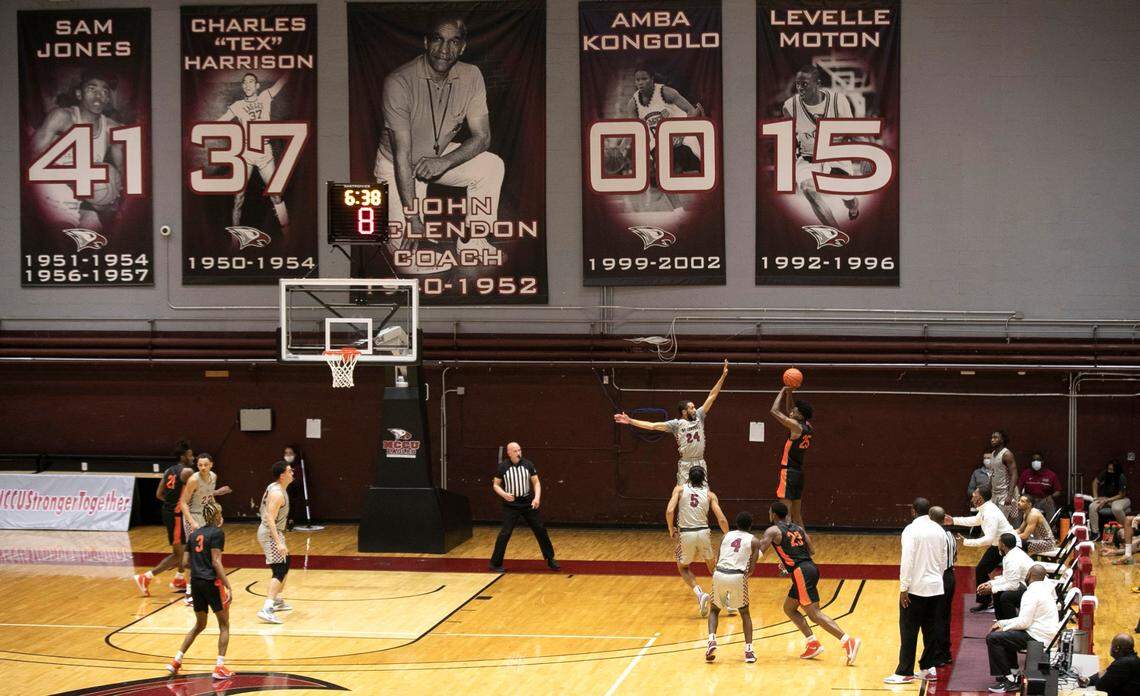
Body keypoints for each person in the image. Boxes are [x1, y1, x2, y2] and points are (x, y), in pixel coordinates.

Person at [374, 13, 504, 274]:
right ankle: (403, 231)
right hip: (398, 166)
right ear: (425, 42)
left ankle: (473, 242)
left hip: (438, 157)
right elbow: (403, 155)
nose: (445, 50)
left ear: (462, 47)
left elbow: (483, 137)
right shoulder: (398, 82)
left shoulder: (472, 75)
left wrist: (443, 161)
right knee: (408, 263)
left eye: (453, 42)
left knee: (491, 165)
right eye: (438, 40)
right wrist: (413, 218)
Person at [760, 502, 861, 665]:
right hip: (810, 567)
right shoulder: (798, 528)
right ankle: (812, 642)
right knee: (789, 608)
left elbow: (760, 551)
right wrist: (790, 560)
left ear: (772, 514)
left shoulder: (773, 530)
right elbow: (811, 550)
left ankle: (847, 640)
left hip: (801, 572)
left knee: (814, 613)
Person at [31, 71, 126, 232]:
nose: (99, 96)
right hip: (50, 196)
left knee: (98, 233)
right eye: (92, 89)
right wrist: (76, 180)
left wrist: (109, 197)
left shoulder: (112, 129)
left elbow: (123, 175)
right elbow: (30, 159)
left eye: (104, 92)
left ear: (108, 99)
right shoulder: (62, 117)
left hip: (79, 201)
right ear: (79, 94)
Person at [614, 359, 729, 485]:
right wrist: (630, 421)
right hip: (685, 463)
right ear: (684, 412)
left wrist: (723, 376)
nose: (695, 409)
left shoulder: (699, 416)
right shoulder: (676, 424)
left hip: (700, 461)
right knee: (682, 493)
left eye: (694, 407)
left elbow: (712, 396)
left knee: (703, 493)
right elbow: (652, 426)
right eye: (691, 408)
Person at [781, 64, 861, 229]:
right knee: (808, 189)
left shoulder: (839, 101)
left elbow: (853, 130)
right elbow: (788, 139)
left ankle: (853, 209)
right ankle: (835, 233)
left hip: (835, 155)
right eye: (798, 84)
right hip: (808, 157)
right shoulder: (789, 107)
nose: (800, 88)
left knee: (850, 200)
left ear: (817, 84)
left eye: (805, 84)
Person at [166, 500, 234, 680]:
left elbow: (184, 562)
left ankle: (176, 660)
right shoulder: (218, 533)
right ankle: (219, 667)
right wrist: (227, 584)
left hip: (195, 583)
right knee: (224, 625)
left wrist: (198, 561)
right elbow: (216, 561)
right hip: (211, 582)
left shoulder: (194, 534)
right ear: (217, 516)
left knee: (199, 624)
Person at [884, 498, 949, 685]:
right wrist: (935, 578)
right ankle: (929, 668)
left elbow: (907, 561)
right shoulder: (939, 530)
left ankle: (905, 671)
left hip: (915, 590)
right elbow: (944, 561)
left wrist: (904, 588)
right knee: (931, 630)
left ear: (913, 511)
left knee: (908, 630)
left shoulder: (911, 530)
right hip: (936, 588)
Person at [218, 72, 290, 233]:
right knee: (238, 197)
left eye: (251, 81)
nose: (247, 84)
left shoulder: (265, 96)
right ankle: (235, 239)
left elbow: (281, 82)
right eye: (245, 82)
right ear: (243, 86)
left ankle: (287, 232)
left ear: (257, 85)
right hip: (245, 153)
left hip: (264, 151)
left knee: (276, 195)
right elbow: (221, 121)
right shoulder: (237, 105)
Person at [624, 67, 704, 212]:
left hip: (681, 138)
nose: (641, 82)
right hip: (658, 144)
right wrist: (621, 148)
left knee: (700, 166)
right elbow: (633, 129)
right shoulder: (633, 103)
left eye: (644, 79)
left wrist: (681, 133)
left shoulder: (666, 92)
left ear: (652, 79)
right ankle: (679, 211)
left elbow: (691, 111)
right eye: (638, 80)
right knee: (662, 172)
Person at [984, 565, 1059, 693]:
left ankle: (1010, 681)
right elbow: (1025, 620)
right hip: (1043, 633)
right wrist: (1002, 623)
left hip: (1038, 637)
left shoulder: (1031, 593)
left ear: (1029, 575)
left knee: (993, 638)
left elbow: (1024, 622)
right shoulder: (1045, 589)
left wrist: (1004, 627)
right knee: (1006, 634)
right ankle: (1013, 671)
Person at [665, 466, 729, 617]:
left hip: (686, 533)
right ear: (704, 479)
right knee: (713, 569)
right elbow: (721, 518)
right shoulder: (709, 494)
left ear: (688, 477)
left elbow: (669, 511)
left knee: (683, 568)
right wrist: (728, 535)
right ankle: (727, 596)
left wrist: (670, 529)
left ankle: (700, 594)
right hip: (703, 532)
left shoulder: (679, 490)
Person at [134, 441, 196, 596]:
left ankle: (179, 579)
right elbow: (197, 492)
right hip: (176, 515)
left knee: (186, 548)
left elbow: (159, 494)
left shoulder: (169, 470)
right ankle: (146, 577)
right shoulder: (187, 471)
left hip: (171, 512)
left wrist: (172, 503)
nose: (193, 458)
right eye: (190, 455)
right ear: (183, 457)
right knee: (179, 554)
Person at [946, 485, 1019, 613]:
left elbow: (988, 539)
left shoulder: (990, 513)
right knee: (981, 570)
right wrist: (953, 521)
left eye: (975, 494)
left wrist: (967, 542)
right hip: (999, 545)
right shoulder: (985, 508)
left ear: (980, 498)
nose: (972, 496)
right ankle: (986, 602)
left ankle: (1009, 603)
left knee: (1008, 576)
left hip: (1011, 547)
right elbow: (975, 520)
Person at [490, 442, 557, 572]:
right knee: (505, 533)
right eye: (515, 451)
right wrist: (504, 494)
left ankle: (550, 559)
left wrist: (536, 498)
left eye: (519, 450)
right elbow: (496, 485)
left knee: (540, 529)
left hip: (527, 503)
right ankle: (495, 563)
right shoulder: (503, 467)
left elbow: (536, 483)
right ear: (508, 453)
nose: (518, 453)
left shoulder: (528, 464)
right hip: (511, 505)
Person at [705, 511, 761, 664]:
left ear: (736, 524)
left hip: (719, 573)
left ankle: (711, 640)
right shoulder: (754, 541)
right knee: (745, 614)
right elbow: (751, 569)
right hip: (737, 575)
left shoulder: (726, 536)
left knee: (715, 610)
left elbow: (718, 558)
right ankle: (748, 650)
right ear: (750, 526)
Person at [179, 453, 232, 605]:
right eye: (200, 465)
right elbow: (183, 503)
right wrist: (192, 522)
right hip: (193, 516)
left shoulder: (213, 477)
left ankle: (209, 588)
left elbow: (209, 497)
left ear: (211, 465)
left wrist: (217, 513)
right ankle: (189, 593)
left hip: (206, 515)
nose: (202, 467)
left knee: (211, 553)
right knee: (196, 555)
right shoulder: (194, 479)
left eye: (205, 465)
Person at [769, 384, 813, 527]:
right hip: (799, 474)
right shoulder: (807, 426)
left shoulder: (796, 427)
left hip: (788, 472)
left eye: (796, 409)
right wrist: (789, 394)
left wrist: (782, 390)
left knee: (785, 515)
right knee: (797, 516)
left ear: (799, 415)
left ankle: (789, 546)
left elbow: (774, 411)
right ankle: (803, 546)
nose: (792, 409)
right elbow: (789, 411)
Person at [256, 460, 294, 624]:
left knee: (286, 562)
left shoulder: (274, 486)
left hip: (273, 531)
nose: (292, 472)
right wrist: (278, 542)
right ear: (282, 475)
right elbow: (270, 519)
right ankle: (267, 608)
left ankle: (276, 600)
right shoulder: (277, 493)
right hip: (271, 533)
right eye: (289, 470)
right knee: (279, 569)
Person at [976, 533, 1033, 621]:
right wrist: (990, 583)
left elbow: (1013, 585)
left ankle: (1011, 623)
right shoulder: (1012, 553)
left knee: (1006, 596)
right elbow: (1007, 578)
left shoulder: (1012, 559)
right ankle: (1001, 621)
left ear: (1002, 545)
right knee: (997, 591)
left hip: (1031, 589)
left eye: (998, 542)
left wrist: (992, 589)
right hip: (1024, 584)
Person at [928, 507, 957, 669]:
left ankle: (938, 655)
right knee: (945, 616)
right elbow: (955, 557)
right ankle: (945, 653)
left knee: (936, 617)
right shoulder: (950, 535)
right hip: (950, 576)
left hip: (939, 577)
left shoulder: (935, 536)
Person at [1090, 459, 1130, 536]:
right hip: (1107, 499)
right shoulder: (1105, 473)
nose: (1109, 471)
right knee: (1092, 506)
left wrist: (1106, 500)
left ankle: (1125, 531)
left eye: (1111, 470)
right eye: (1108, 469)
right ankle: (1095, 533)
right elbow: (1095, 482)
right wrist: (1095, 498)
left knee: (1116, 508)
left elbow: (1121, 495)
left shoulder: (1121, 477)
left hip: (1120, 499)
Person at [1017, 453, 1062, 521]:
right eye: (1034, 460)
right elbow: (1018, 488)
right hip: (1029, 500)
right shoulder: (1026, 473)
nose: (1035, 462)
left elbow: (1058, 491)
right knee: (1019, 504)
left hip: (1043, 500)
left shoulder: (1051, 475)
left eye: (1038, 460)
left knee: (1050, 503)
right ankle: (1016, 529)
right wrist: (1020, 497)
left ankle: (1051, 529)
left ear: (1042, 462)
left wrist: (1051, 496)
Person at [987, 431, 1018, 520]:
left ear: (1002, 440)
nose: (992, 440)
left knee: (1003, 522)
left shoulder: (1007, 454)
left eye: (995, 438)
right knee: (993, 520)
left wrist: (1010, 495)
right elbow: (993, 472)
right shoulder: (993, 454)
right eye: (992, 438)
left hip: (1005, 493)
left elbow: (1014, 474)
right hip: (995, 493)